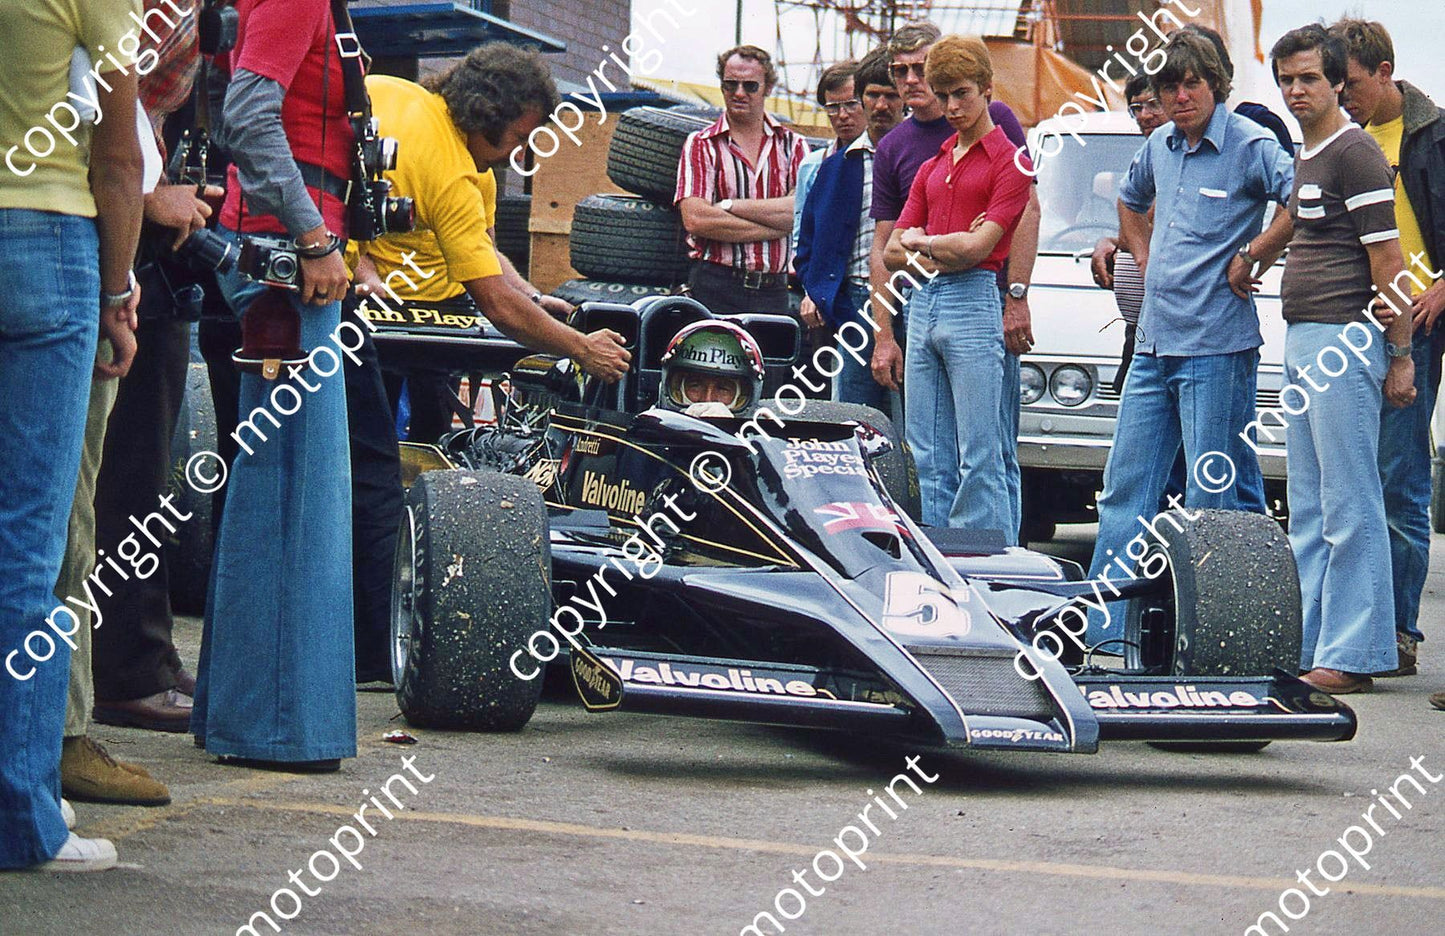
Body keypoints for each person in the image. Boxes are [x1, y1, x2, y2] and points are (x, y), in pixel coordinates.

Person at [346, 46, 632, 679]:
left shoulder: (391, 92)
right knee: (372, 478)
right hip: (360, 319)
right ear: (487, 112)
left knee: (405, 453)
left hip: (395, 308)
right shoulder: (452, 165)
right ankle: (371, 650)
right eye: (520, 135)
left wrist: (536, 297)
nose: (519, 152)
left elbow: (485, 258)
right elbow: (498, 308)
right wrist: (580, 347)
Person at [191, 0, 360, 773]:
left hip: (276, 255)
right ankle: (277, 726)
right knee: (298, 500)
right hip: (285, 266)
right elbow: (251, 117)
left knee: (275, 494)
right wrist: (314, 235)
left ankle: (252, 715)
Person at [1085, 30, 1295, 643]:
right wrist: (1144, 256)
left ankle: (1221, 642)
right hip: (1153, 347)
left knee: (1212, 501)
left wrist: (1253, 254)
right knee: (1126, 492)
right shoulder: (1159, 144)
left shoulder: (1253, 144)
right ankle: (1103, 641)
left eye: (1190, 84)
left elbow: (1301, 200)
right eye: (1168, 86)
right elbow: (1129, 200)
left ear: (1216, 85)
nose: (1179, 96)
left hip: (1216, 349)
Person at [0, 0, 144, 871]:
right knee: (27, 544)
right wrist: (119, 294)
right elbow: (120, 157)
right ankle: (22, 820)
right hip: (45, 237)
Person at [1252, 24, 1413, 693]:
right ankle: (1318, 641)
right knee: (1313, 505)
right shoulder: (1309, 154)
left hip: (1346, 341)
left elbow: (1390, 264)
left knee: (1350, 501)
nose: (1295, 90)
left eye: (1308, 78)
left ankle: (1354, 653)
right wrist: (1254, 255)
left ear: (1336, 82)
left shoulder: (1353, 154)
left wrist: (1399, 354)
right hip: (1304, 338)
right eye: (1285, 79)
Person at [867, 19, 1040, 536]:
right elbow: (892, 251)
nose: (953, 106)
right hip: (926, 301)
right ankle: (938, 555)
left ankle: (990, 563)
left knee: (981, 449)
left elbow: (978, 247)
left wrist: (924, 242)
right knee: (925, 451)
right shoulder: (931, 164)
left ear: (987, 90)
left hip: (973, 298)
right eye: (944, 96)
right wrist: (935, 246)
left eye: (961, 93)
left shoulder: (1010, 160)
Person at [89, 0, 207, 736]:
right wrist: (145, 196)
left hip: (115, 231)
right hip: (107, 236)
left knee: (130, 474)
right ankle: (128, 669)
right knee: (122, 476)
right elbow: (102, 117)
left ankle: (142, 659)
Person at [1332, 18, 1445, 679]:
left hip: (1417, 323)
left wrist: (1439, 286)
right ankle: (1353, 626)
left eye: (1350, 85)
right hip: (1350, 325)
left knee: (1399, 475)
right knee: (1350, 478)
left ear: (1382, 72)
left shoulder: (1432, 135)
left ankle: (1397, 630)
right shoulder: (1341, 139)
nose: (1344, 98)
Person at [794, 48, 904, 414]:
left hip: (913, 297)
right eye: (873, 96)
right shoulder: (837, 164)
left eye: (890, 95)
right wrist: (822, 292)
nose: (880, 105)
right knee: (856, 417)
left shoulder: (917, 154)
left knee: (916, 417)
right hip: (856, 299)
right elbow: (808, 238)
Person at [675, 45, 810, 315]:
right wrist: (778, 226)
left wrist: (728, 206)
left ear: (768, 87)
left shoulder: (793, 146)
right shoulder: (702, 144)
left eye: (750, 86)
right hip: (715, 285)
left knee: (771, 359)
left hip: (773, 291)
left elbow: (802, 215)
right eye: (730, 85)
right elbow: (696, 219)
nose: (739, 93)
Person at [790, 60, 862, 256]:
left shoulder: (886, 158)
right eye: (833, 107)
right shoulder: (812, 166)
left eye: (851, 105)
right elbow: (801, 233)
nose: (842, 115)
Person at [656, 319, 766, 417]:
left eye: (723, 389)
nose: (707, 400)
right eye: (695, 386)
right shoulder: (645, 430)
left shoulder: (762, 435)